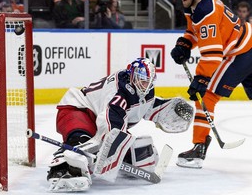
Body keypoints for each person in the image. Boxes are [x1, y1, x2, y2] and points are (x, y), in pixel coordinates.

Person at [46, 57, 194, 192]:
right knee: (82, 141)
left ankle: (105, 160)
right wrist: (108, 150)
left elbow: (146, 107)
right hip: (78, 110)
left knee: (130, 150)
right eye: (142, 80)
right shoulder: (119, 93)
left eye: (149, 81)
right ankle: (62, 168)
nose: (145, 85)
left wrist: (168, 109)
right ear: (132, 76)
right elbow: (110, 125)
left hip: (97, 117)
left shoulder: (143, 90)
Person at [170, 0, 252, 169]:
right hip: (248, 43)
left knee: (206, 95)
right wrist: (185, 43)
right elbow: (194, 31)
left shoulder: (205, 11)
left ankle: (199, 148)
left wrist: (201, 78)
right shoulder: (197, 4)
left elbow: (213, 54)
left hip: (239, 53)